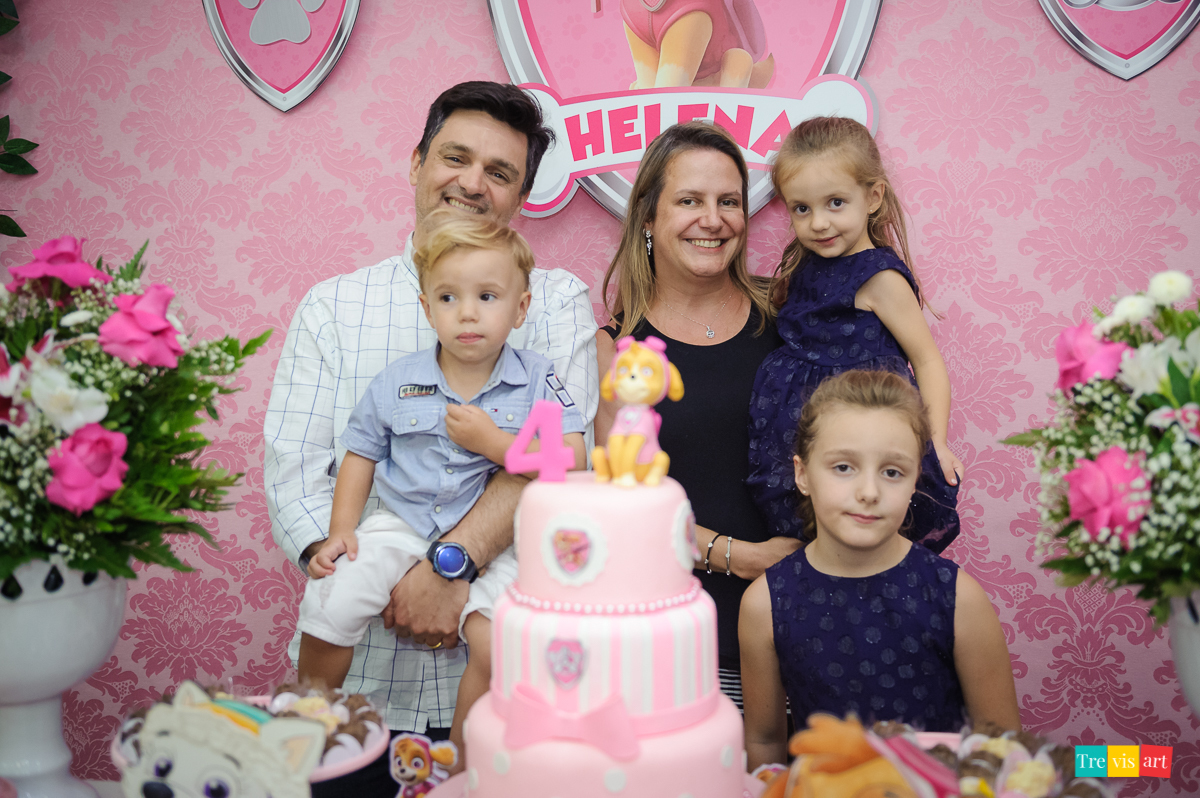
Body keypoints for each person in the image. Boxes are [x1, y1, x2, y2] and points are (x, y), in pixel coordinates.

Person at [264, 81, 599, 761]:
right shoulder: (334, 307)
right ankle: (308, 722)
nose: (472, 183)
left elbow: (560, 464)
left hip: (500, 679)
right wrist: (366, 568)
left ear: (520, 195)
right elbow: (294, 474)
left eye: (499, 172)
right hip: (364, 682)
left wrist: (450, 569)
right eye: (455, 157)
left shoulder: (555, 302)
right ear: (417, 162)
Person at [294, 214, 587, 763]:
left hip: (498, 546)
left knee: (498, 642)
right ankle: (308, 724)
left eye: (487, 296)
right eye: (448, 298)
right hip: (401, 523)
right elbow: (360, 452)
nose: (467, 313)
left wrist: (495, 443)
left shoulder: (538, 379)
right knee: (332, 597)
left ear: (521, 308)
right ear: (428, 309)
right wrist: (340, 532)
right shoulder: (398, 380)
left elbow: (572, 459)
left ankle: (460, 766)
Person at [595, 121, 797, 708]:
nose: (713, 219)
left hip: (796, 632)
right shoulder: (616, 349)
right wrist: (740, 556)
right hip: (671, 640)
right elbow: (619, 505)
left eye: (728, 202)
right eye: (689, 201)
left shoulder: (792, 318)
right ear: (648, 217)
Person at [739, 370, 1020, 770]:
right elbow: (765, 741)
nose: (869, 492)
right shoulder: (764, 604)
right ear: (802, 474)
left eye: (892, 472)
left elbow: (1005, 749)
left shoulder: (958, 597)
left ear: (915, 481)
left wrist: (1123, 761)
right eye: (843, 467)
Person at [746, 116, 962, 552]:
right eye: (802, 209)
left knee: (861, 550)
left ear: (873, 196)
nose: (818, 223)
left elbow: (927, 360)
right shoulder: (807, 263)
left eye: (835, 203)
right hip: (805, 444)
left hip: (860, 438)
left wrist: (935, 440)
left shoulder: (879, 277)